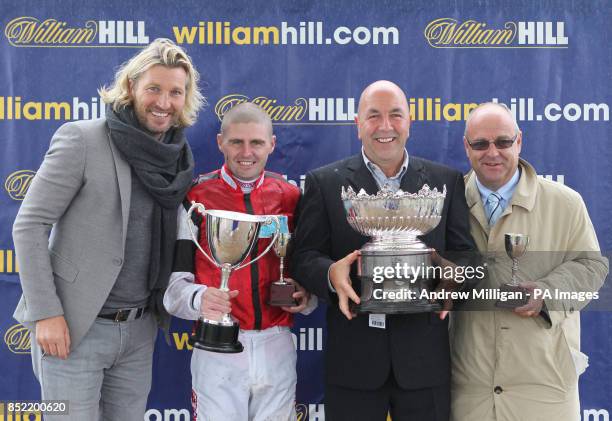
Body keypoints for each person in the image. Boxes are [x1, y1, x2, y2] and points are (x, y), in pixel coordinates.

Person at [12, 38, 204, 420]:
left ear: (186, 98)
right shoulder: (82, 139)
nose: (163, 102)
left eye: (175, 92)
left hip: (138, 330)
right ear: (131, 86)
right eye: (153, 89)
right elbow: (30, 225)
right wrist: (46, 313)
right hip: (73, 327)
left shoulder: (177, 157)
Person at [291, 80, 475, 421]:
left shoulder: (446, 182)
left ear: (409, 122)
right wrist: (331, 274)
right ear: (357, 124)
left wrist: (454, 276)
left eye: (395, 115)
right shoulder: (325, 182)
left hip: (425, 364)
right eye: (373, 116)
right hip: (353, 363)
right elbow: (302, 257)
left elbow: (465, 253)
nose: (385, 126)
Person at [450, 102, 608, 420]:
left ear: (519, 141)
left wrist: (546, 293)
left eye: (503, 142)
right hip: (470, 394)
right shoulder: (446, 205)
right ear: (467, 147)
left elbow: (592, 267)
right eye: (480, 143)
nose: (492, 152)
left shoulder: (565, 202)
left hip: (544, 391)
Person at [164, 102, 316, 421]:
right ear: (221, 142)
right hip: (216, 348)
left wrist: (305, 297)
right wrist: (202, 299)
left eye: (257, 142)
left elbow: (308, 275)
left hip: (277, 345)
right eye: (236, 142)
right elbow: (173, 292)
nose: (246, 152)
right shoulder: (195, 200)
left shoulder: (291, 198)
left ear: (271, 145)